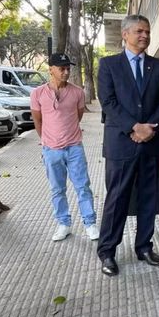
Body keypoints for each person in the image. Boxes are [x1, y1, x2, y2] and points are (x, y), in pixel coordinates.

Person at [97, 14, 159, 277]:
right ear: (125, 34)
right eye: (139, 31)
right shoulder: (108, 65)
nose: (145, 35)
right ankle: (107, 251)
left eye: (147, 31)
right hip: (122, 144)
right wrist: (134, 127)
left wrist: (149, 127)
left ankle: (144, 246)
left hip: (151, 143)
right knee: (117, 199)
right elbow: (108, 103)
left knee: (148, 199)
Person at [30, 53, 99, 241]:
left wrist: (66, 135)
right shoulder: (38, 94)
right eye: (62, 68)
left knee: (83, 187)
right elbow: (38, 120)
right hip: (51, 150)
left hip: (74, 147)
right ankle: (63, 223)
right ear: (50, 69)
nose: (66, 72)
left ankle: (90, 223)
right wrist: (47, 141)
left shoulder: (77, 92)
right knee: (57, 189)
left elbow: (77, 117)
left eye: (68, 68)